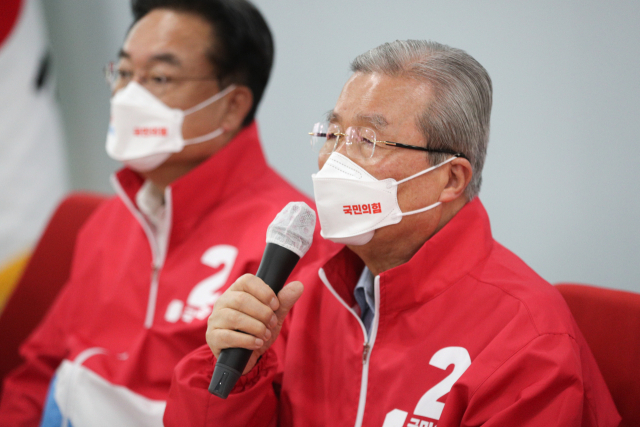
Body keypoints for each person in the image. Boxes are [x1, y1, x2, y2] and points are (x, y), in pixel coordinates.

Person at [163, 40, 621, 426]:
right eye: (333, 134)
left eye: (367, 141)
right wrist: (235, 364)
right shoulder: (304, 292)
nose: (332, 161)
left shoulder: (528, 340)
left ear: (451, 178)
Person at [0, 0, 335, 425]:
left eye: (158, 77)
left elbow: (281, 409)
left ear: (232, 106)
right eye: (122, 73)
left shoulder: (290, 242)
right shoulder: (108, 221)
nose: (128, 95)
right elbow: (39, 371)